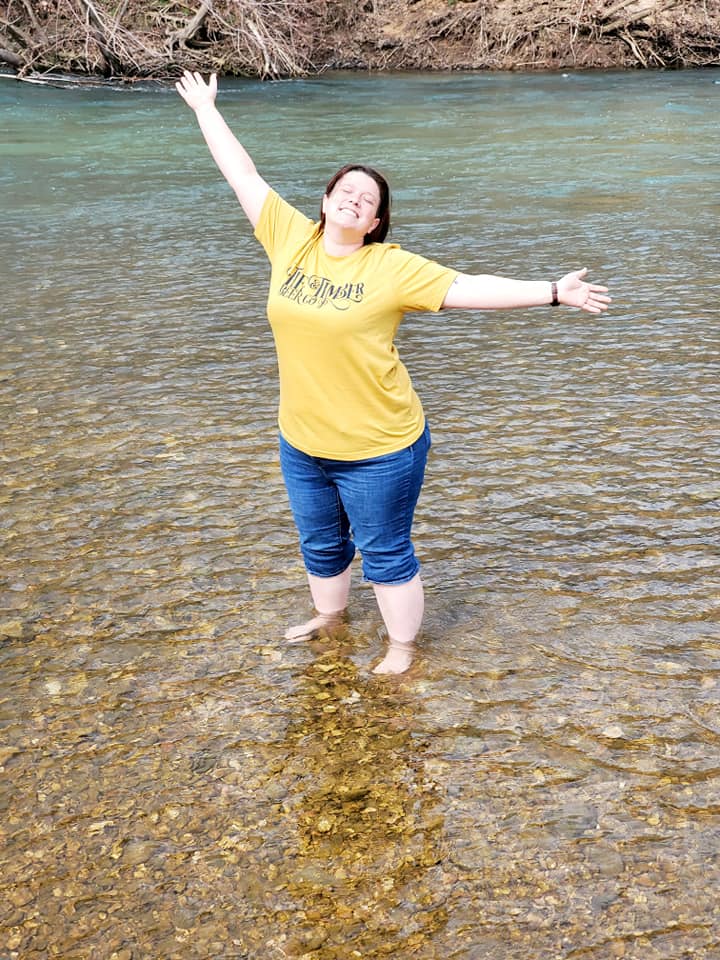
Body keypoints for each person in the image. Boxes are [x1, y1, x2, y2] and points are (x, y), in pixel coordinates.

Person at [175, 70, 611, 675]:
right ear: (325, 202)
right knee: (321, 544)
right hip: (302, 439)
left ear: (376, 222)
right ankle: (330, 622)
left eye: (368, 199)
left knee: (384, 553)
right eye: (346, 191)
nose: (355, 199)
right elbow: (242, 173)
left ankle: (403, 650)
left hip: (381, 445)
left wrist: (551, 293)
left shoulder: (392, 268)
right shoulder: (289, 240)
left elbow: (467, 287)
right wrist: (205, 109)